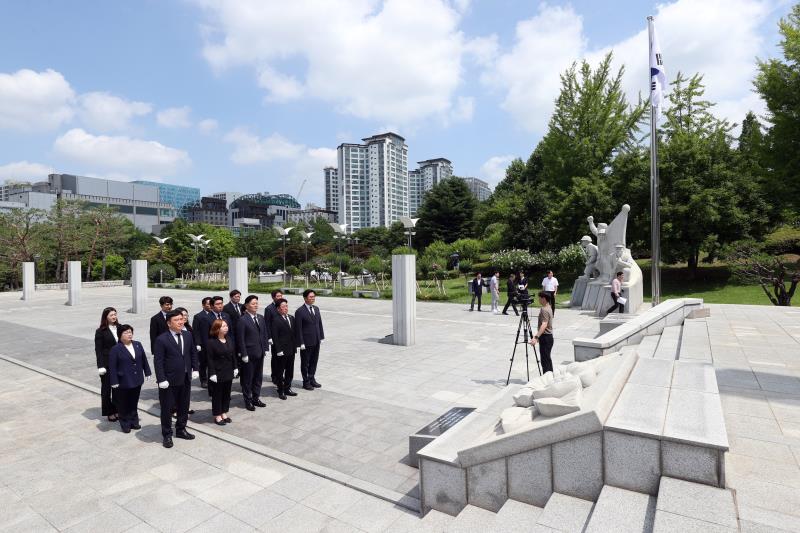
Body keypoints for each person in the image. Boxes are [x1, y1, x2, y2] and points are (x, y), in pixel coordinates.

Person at [153, 310, 199, 449]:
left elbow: (192, 353)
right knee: (167, 408)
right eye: (177, 320)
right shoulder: (162, 339)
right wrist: (161, 379)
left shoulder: (188, 335)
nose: (180, 322)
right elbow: (158, 361)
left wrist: (195, 368)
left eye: (181, 319)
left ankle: (181, 429)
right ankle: (167, 434)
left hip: (185, 378)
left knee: (184, 406)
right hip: (169, 381)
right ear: (168, 323)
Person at [108, 325, 151, 433]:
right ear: (120, 335)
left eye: (131, 332)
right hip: (123, 381)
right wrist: (114, 381)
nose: (129, 334)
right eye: (126, 332)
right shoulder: (116, 349)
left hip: (137, 379)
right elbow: (112, 367)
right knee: (123, 404)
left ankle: (134, 421)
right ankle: (125, 423)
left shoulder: (137, 344)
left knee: (133, 402)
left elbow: (144, 359)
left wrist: (147, 372)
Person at [236, 295, 269, 411]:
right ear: (246, 306)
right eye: (253, 303)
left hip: (259, 353)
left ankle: (256, 398)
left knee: (258, 378)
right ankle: (248, 400)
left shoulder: (260, 318)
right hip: (248, 355)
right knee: (247, 379)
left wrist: (265, 348)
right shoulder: (242, 320)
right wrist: (243, 354)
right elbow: (240, 339)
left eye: (256, 303)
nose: (255, 305)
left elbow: (264, 334)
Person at [206, 319, 238, 425]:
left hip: (228, 371)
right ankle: (217, 415)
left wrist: (235, 367)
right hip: (218, 372)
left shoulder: (228, 339)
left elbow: (233, 355)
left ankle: (224, 412)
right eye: (223, 326)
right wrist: (212, 373)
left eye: (226, 326)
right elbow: (209, 359)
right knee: (217, 395)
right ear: (217, 329)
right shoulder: (211, 342)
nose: (226, 328)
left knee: (226, 393)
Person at [295, 289, 325, 391]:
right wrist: (301, 342)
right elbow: (298, 328)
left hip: (316, 340)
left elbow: (319, 323)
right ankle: (306, 381)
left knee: (314, 361)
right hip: (306, 342)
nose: (312, 299)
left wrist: (321, 336)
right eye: (310, 297)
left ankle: (312, 378)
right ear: (305, 298)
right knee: (305, 362)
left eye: (313, 297)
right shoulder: (299, 311)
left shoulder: (316, 309)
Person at [94, 307, 120, 422]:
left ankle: (117, 409)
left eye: (115, 314)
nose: (114, 317)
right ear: (106, 317)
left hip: (119, 364)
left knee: (118, 389)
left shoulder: (120, 328)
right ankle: (109, 412)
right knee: (106, 390)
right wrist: (100, 366)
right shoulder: (100, 331)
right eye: (111, 315)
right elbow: (98, 350)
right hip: (107, 364)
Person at [270, 298, 297, 400]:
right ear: (278, 309)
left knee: (290, 370)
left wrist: (295, 346)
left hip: (291, 349)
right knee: (280, 371)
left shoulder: (291, 318)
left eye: (286, 306)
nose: (285, 308)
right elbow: (275, 336)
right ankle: (280, 390)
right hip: (282, 350)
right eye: (283, 307)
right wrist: (278, 350)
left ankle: (287, 388)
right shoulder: (276, 320)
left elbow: (294, 334)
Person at [529, 291, 554, 374]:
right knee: (547, 359)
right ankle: (550, 377)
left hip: (546, 337)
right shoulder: (549, 307)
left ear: (543, 299)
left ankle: (547, 380)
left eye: (539, 298)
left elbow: (544, 324)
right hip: (548, 337)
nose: (538, 299)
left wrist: (536, 337)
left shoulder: (544, 309)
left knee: (545, 361)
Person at [192, 298, 214, 388]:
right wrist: (198, 343)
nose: (210, 306)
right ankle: (203, 380)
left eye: (211, 304)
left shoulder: (215, 315)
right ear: (203, 305)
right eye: (208, 304)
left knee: (212, 363)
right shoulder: (198, 316)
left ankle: (211, 378)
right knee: (203, 363)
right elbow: (196, 331)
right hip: (203, 344)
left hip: (213, 344)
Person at [264, 290, 283, 383]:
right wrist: (269, 337)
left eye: (281, 295)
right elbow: (267, 324)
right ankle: (274, 376)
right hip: (274, 337)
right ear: (273, 297)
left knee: (283, 358)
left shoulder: (283, 306)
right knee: (275, 358)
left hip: (283, 337)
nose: (280, 297)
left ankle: (280, 375)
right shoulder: (269, 309)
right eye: (278, 296)